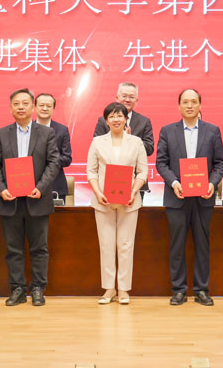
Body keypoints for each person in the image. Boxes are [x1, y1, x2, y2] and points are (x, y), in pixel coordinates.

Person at [0, 88, 61, 306]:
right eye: (16, 104)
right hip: (9, 200)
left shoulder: (46, 133)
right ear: (10, 108)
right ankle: (18, 289)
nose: (20, 107)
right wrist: (1, 188)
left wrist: (41, 187)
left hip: (37, 199)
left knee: (39, 248)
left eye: (25, 103)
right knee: (13, 249)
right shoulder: (1, 133)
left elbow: (54, 162)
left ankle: (38, 289)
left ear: (32, 107)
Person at [155, 89, 223, 306]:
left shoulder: (212, 131)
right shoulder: (167, 131)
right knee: (177, 245)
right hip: (177, 197)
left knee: (202, 245)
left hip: (203, 198)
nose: (189, 106)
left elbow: (220, 163)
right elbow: (161, 163)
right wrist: (174, 183)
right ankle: (179, 290)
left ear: (200, 105)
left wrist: (212, 184)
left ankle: (201, 290)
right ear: (179, 106)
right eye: (185, 102)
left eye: (193, 102)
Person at [87, 102, 148, 305]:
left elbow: (143, 172)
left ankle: (123, 289)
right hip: (102, 201)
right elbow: (91, 171)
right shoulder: (97, 142)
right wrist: (98, 192)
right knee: (106, 245)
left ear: (125, 119)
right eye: (112, 116)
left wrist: (133, 191)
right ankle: (109, 288)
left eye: (119, 116)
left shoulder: (136, 142)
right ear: (106, 120)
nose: (116, 119)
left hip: (129, 201)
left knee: (125, 245)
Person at [94, 83, 154, 198]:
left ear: (136, 100)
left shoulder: (144, 121)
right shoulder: (103, 121)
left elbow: (150, 149)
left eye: (131, 97)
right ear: (117, 97)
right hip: (107, 179)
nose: (127, 100)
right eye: (124, 96)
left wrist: (131, 140)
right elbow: (97, 148)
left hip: (135, 182)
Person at [34, 93, 72, 202]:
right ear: (35, 107)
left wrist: (47, 159)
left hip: (55, 187)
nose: (45, 108)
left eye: (49, 106)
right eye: (41, 105)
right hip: (31, 186)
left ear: (53, 108)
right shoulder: (26, 129)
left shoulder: (62, 130)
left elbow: (67, 159)